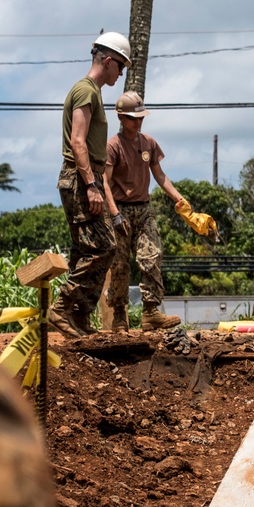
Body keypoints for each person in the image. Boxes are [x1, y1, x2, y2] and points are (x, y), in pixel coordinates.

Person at [50, 32, 130, 338]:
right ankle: (62, 308)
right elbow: (78, 142)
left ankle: (79, 317)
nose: (120, 73)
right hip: (81, 179)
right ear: (108, 61)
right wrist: (92, 186)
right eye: (120, 66)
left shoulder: (91, 92)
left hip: (85, 178)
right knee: (103, 247)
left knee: (87, 250)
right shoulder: (85, 91)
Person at [103, 91, 183, 332]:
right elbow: (104, 182)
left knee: (152, 256)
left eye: (140, 118)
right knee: (119, 265)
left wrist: (179, 199)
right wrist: (115, 214)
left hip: (144, 209)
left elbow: (159, 175)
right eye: (131, 118)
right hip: (120, 212)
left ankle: (151, 312)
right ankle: (119, 315)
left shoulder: (148, 143)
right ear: (120, 117)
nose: (137, 122)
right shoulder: (113, 146)